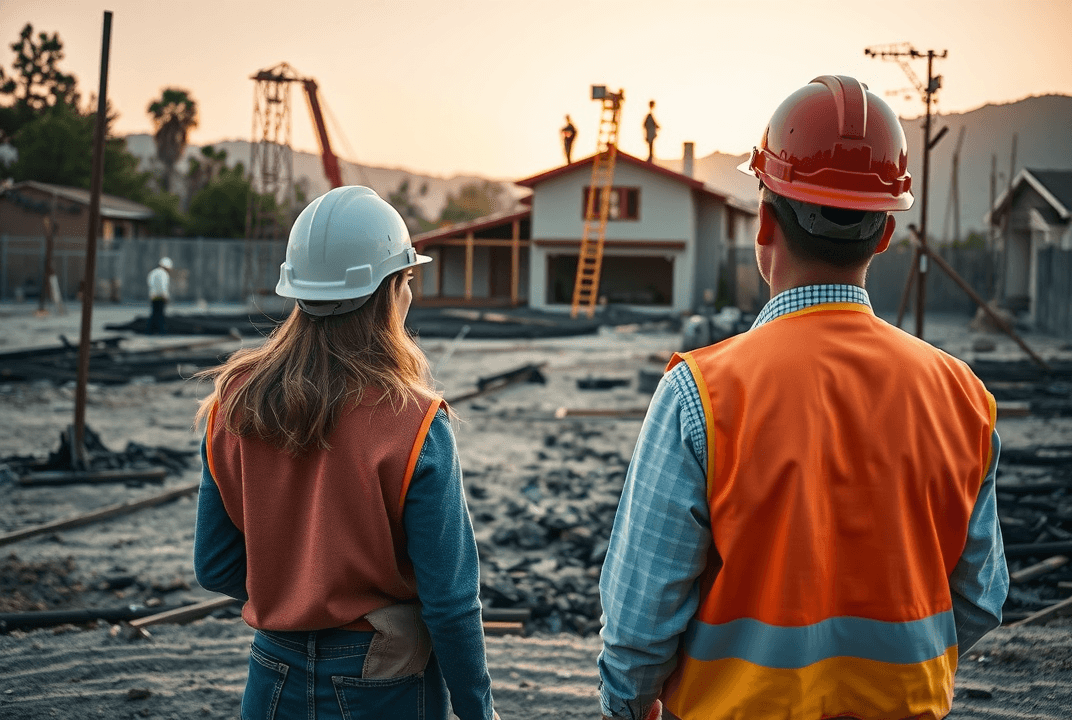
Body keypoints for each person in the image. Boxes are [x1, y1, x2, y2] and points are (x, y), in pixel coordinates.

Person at [597, 75, 1008, 720]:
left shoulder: (701, 394)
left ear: (765, 220)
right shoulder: (962, 398)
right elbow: (980, 600)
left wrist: (627, 705)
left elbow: (640, 621)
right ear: (883, 234)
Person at [193, 186, 499, 720]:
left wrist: (293, 587)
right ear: (388, 291)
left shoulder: (233, 402)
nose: (409, 297)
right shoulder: (415, 421)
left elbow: (215, 564)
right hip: (383, 681)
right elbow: (449, 602)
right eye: (406, 281)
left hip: (271, 672)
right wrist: (478, 710)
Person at [146, 256, 172, 334]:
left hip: (153, 297)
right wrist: (166, 296)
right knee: (160, 315)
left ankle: (150, 331)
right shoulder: (164, 274)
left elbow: (150, 283)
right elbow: (163, 286)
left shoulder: (153, 272)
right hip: (160, 297)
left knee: (154, 313)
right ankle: (160, 331)